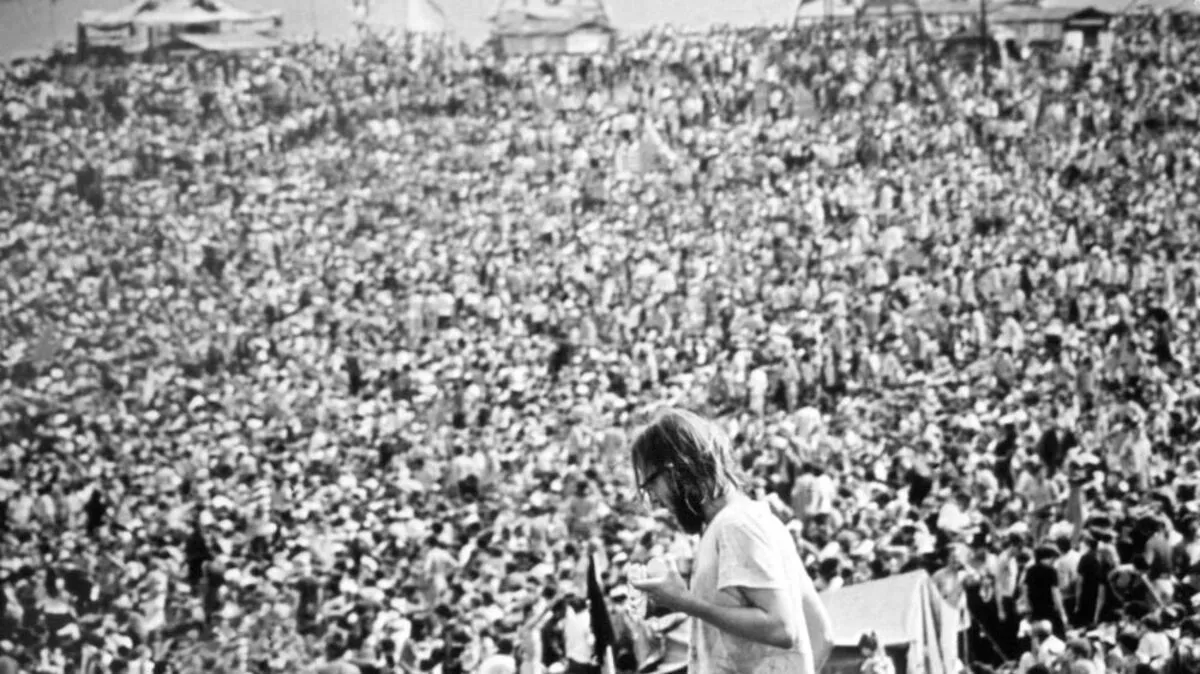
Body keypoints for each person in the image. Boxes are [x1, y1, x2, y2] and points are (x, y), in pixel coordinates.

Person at [629, 408, 834, 674]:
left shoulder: (734, 526)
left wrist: (685, 602)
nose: (654, 500)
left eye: (650, 485)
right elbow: (822, 634)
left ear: (675, 470)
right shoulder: (758, 520)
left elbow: (781, 627)